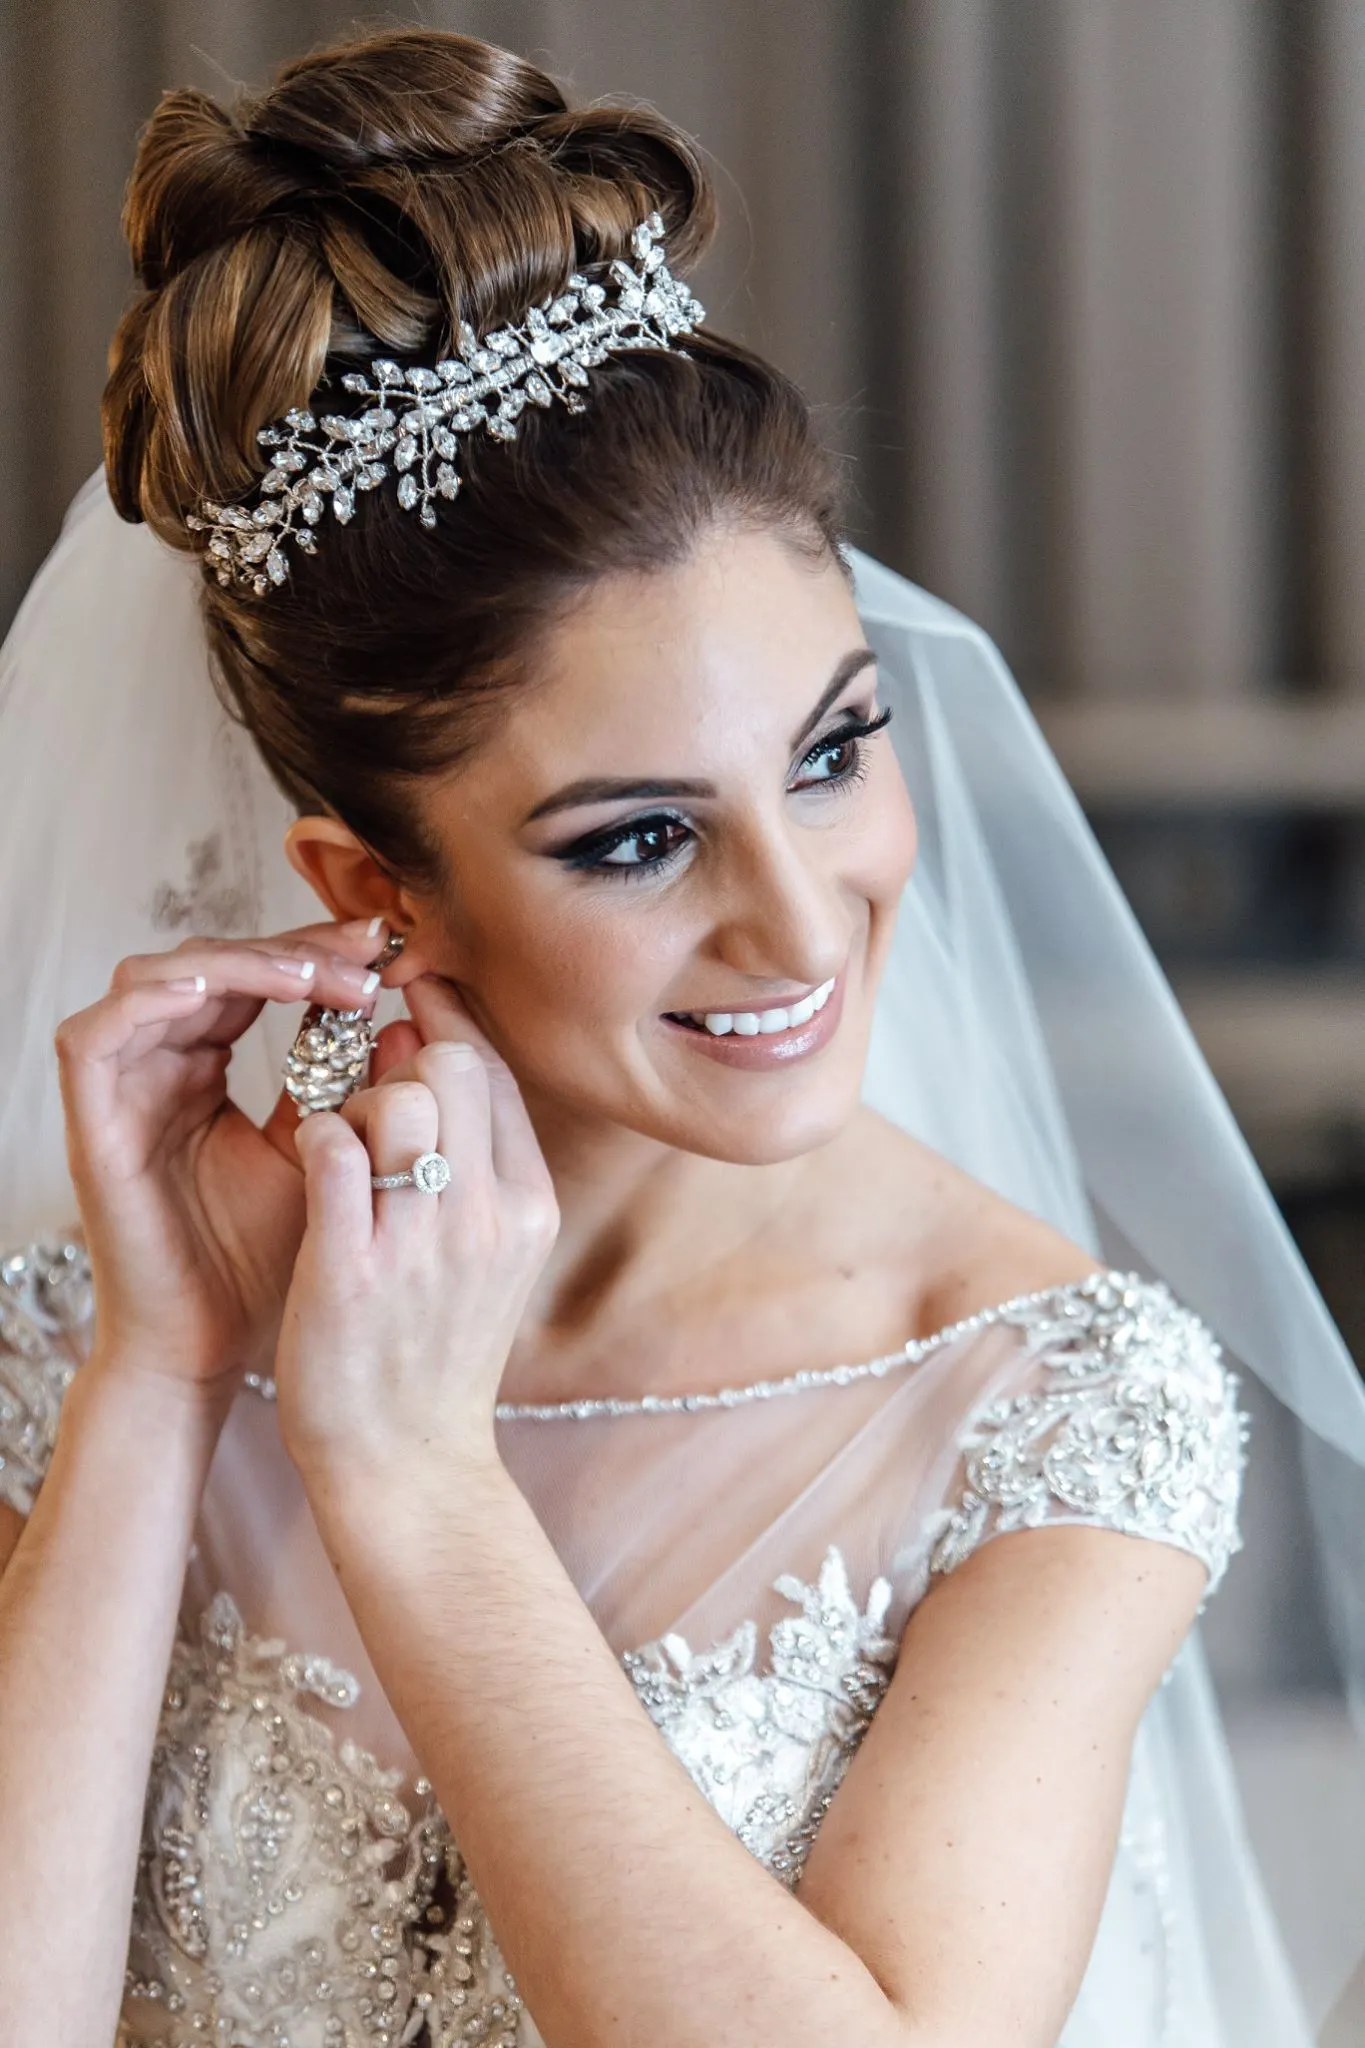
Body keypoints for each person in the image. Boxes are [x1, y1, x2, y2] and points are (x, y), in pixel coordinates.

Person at [0, 27, 1360, 2048]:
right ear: (369, 885)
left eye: (830, 753)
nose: (804, 916)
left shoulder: (1055, 1396)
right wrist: (160, 1374)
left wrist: (412, 1480)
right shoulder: (95, 1350)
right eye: (639, 837)